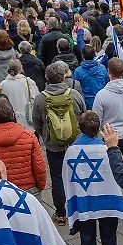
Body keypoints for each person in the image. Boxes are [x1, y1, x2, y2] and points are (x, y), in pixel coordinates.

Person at [63, 112, 123, 245]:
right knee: (109, 239)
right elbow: (118, 172)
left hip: (84, 202)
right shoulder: (108, 150)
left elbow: (67, 178)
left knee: (87, 240)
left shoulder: (71, 151)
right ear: (99, 128)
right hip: (107, 201)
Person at [32, 61, 86, 225]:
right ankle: (81, 210)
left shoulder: (40, 99)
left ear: (46, 78)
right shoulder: (75, 95)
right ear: (64, 77)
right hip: (75, 143)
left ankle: (61, 214)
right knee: (78, 176)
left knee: (57, 179)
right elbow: (84, 115)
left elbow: (36, 122)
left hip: (54, 146)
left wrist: (46, 136)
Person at [0, 98, 46, 192]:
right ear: (12, 115)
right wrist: (40, 186)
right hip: (28, 189)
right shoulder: (29, 136)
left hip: (0, 191)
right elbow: (39, 166)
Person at [0, 59, 41, 132]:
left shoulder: (3, 84)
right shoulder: (29, 82)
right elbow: (37, 99)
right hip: (28, 120)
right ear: (21, 68)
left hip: (10, 120)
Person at [72, 45, 108, 109]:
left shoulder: (78, 71)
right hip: (101, 102)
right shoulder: (102, 68)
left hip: (86, 104)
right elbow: (106, 84)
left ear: (82, 56)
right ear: (94, 55)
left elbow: (75, 89)